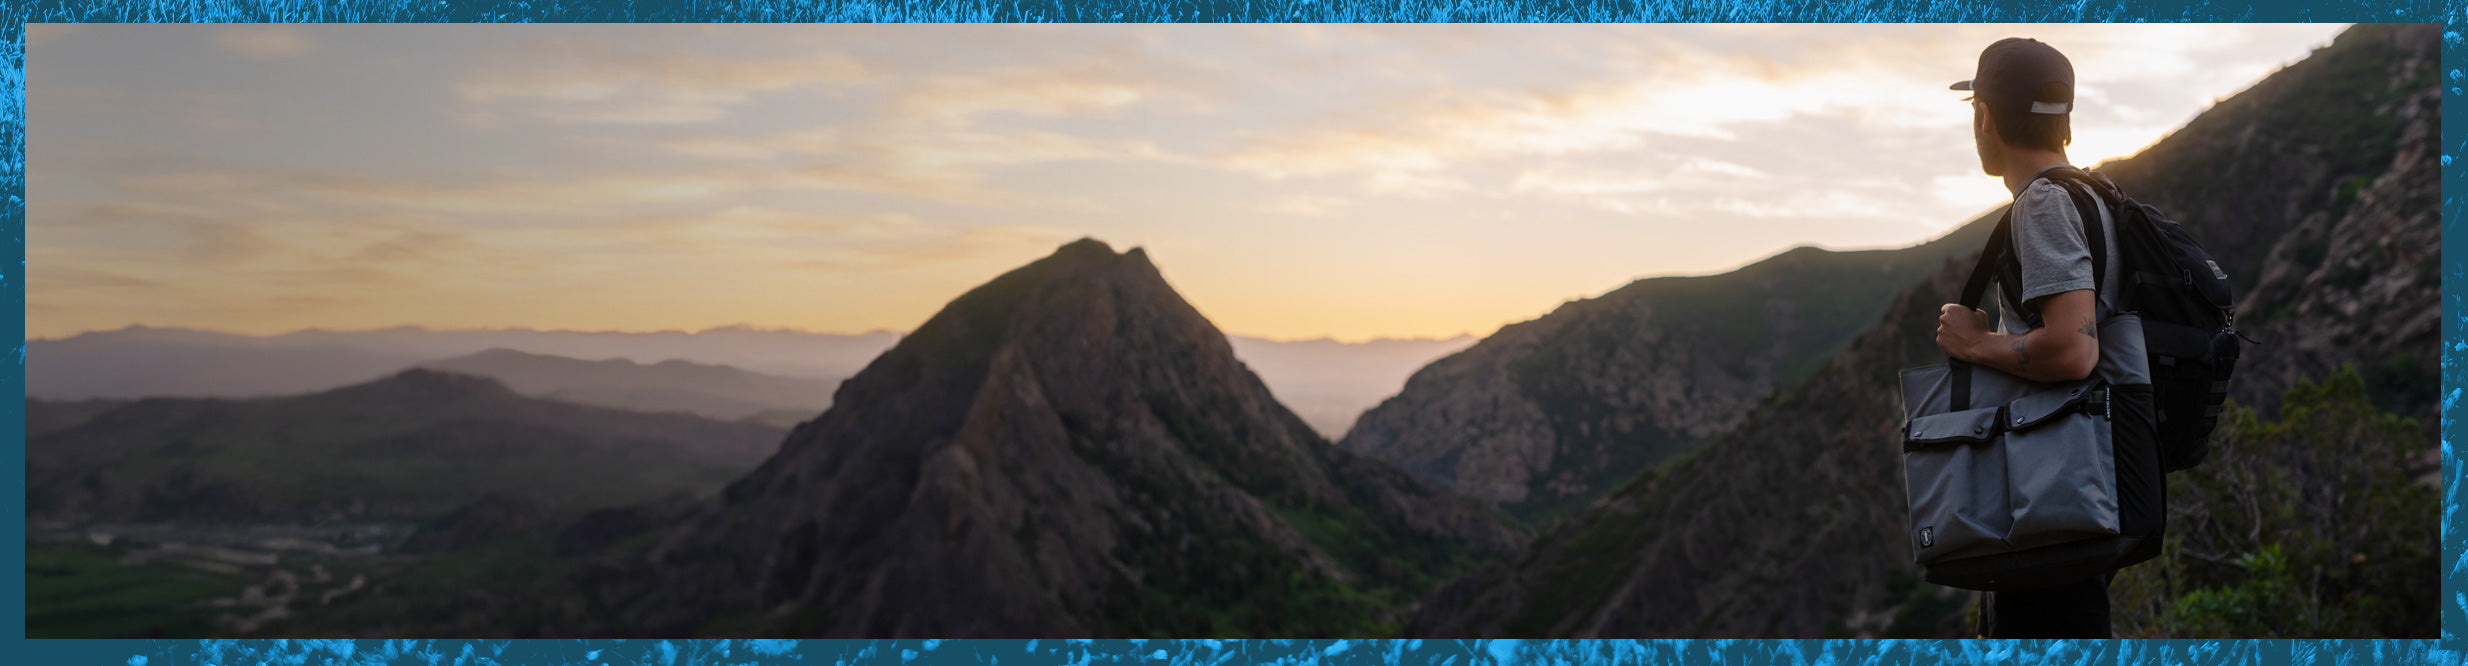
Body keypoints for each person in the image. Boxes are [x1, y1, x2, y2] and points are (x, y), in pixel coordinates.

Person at [1932, 37, 2124, 639]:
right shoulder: (2094, 195)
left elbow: (2073, 347)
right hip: (2089, 482)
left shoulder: (2042, 204)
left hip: (2054, 495)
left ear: (1984, 116)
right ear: (2064, 120)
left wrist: (1975, 346)